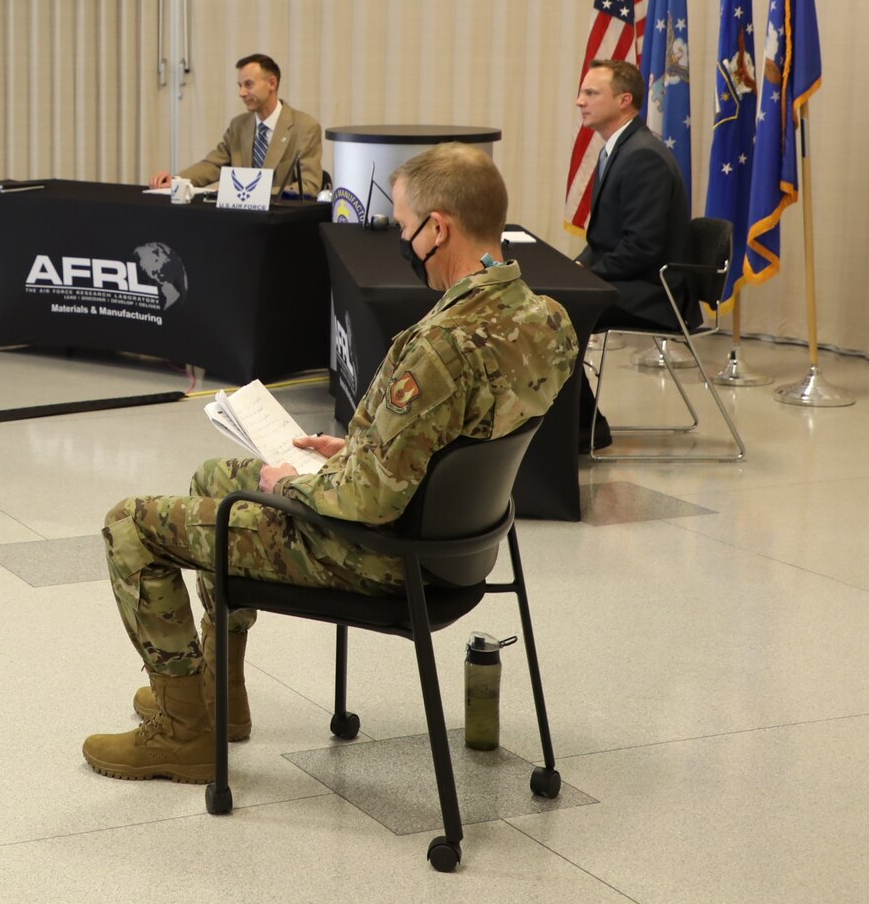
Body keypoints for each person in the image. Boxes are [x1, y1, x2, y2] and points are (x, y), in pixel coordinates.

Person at [84, 144, 577, 784]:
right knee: (214, 477)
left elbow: (370, 502)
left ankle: (182, 736)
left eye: (405, 227)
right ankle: (219, 694)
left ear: (440, 228)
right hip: (462, 545)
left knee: (129, 525)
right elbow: (467, 434)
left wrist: (298, 483)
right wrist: (359, 449)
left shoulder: (442, 345)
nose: (402, 238)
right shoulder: (547, 320)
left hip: (381, 554)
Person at [571, 58, 691, 451]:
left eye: (591, 93)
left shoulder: (642, 156)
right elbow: (607, 240)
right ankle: (576, 424)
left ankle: (584, 427)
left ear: (625, 100)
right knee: (552, 305)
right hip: (632, 281)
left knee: (552, 315)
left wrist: (584, 279)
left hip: (654, 293)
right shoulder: (621, 148)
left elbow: (641, 248)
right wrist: (578, 267)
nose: (579, 101)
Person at [149, 53, 323, 197]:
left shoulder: (305, 127)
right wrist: (177, 180)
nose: (242, 93)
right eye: (240, 86)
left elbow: (309, 186)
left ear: (272, 83)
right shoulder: (238, 126)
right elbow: (213, 165)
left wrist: (251, 194)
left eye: (248, 85)